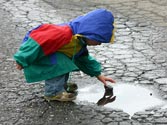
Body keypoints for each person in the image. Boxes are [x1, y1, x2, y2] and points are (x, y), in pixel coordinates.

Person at [14, 9, 116, 102]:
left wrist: (98, 74)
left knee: (67, 60)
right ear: (89, 34)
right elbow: (37, 42)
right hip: (36, 53)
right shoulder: (64, 33)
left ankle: (60, 86)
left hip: (49, 55)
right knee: (61, 63)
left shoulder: (80, 41)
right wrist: (22, 59)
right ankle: (53, 92)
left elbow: (83, 59)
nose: (99, 44)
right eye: (99, 40)